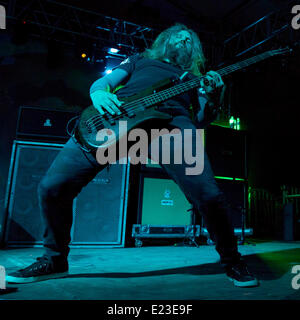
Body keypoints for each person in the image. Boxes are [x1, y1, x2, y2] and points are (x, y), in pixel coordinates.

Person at [6, 23, 258, 287]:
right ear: (164, 40)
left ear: (194, 50)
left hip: (172, 124)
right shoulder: (139, 60)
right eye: (178, 36)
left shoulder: (194, 78)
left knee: (208, 194)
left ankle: (233, 261)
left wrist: (214, 96)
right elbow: (106, 81)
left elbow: (202, 119)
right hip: (119, 119)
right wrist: (99, 93)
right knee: (52, 186)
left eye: (189, 39)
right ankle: (54, 260)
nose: (183, 39)